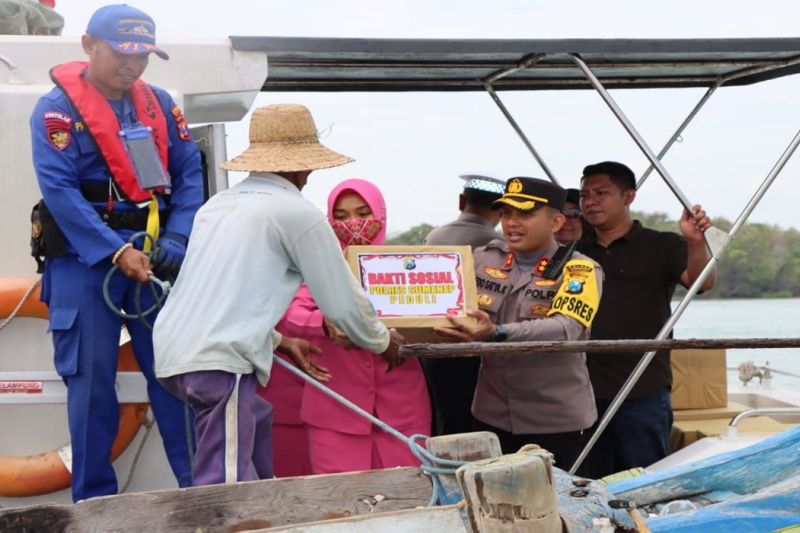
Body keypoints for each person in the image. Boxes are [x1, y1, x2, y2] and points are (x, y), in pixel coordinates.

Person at [153, 104, 405, 486]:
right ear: (304, 167)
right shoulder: (296, 212)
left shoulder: (216, 206)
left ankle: (267, 516)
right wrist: (383, 341)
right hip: (220, 362)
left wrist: (280, 340)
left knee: (256, 421)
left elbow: (214, 294)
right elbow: (341, 301)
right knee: (226, 482)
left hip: (174, 353)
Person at [29, 4, 201, 501]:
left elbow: (189, 177)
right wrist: (113, 251)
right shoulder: (56, 112)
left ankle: (198, 496)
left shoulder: (162, 105)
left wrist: (178, 238)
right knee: (91, 389)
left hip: (157, 258)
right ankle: (95, 507)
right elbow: (59, 193)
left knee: (176, 379)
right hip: (86, 266)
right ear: (89, 46)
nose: (134, 65)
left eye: (143, 56)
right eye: (123, 54)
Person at [435, 177, 603, 467]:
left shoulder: (580, 269)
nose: (512, 222)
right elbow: (436, 301)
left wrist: (496, 332)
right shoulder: (481, 258)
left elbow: (566, 328)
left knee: (557, 506)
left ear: (556, 222)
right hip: (491, 415)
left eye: (525, 214)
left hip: (555, 422)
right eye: (506, 213)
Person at [271, 178, 432, 474]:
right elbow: (291, 314)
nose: (354, 224)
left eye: (363, 213)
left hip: (402, 410)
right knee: (339, 505)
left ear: (380, 216)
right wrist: (324, 321)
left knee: (410, 497)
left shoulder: (409, 269)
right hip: (335, 410)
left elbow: (436, 317)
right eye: (341, 217)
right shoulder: (316, 269)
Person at [576, 161, 716, 478]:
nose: (590, 202)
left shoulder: (661, 245)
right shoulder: (572, 251)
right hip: (581, 389)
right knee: (586, 481)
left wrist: (696, 241)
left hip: (642, 385)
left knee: (646, 478)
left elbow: (702, 282)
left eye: (601, 193)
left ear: (628, 196)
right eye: (585, 195)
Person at [421, 174, 504, 436]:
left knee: (442, 418)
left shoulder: (434, 236)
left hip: (432, 341)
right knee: (471, 423)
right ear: (501, 211)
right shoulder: (499, 244)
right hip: (475, 347)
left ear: (461, 201)